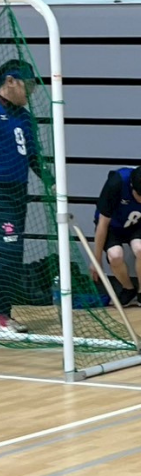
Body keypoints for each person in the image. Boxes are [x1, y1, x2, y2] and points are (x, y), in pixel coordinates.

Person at [90, 165, 141, 309]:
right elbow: (102, 224)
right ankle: (128, 289)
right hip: (111, 226)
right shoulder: (116, 183)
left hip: (136, 225)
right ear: (132, 186)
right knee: (115, 255)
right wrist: (96, 260)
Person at [0, 61, 39, 334]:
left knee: (14, 256)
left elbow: (33, 155)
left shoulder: (24, 117)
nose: (32, 92)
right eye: (29, 85)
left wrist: (52, 181)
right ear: (11, 81)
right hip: (1, 192)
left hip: (18, 193)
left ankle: (4, 314)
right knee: (9, 251)